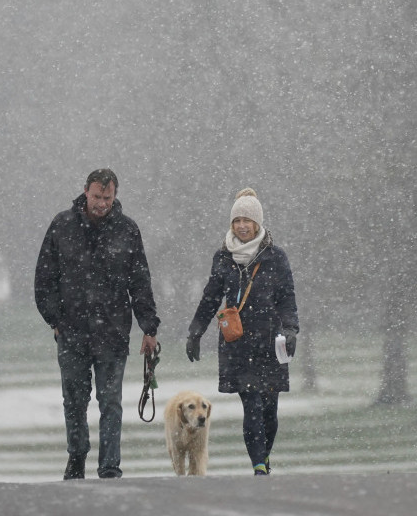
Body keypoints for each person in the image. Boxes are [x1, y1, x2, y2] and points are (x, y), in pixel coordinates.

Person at [35, 168, 160, 480]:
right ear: (85, 192)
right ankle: (76, 457)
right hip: (72, 330)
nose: (102, 203)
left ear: (115, 195)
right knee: (74, 401)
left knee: (111, 402)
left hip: (113, 332)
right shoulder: (62, 226)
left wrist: (149, 327)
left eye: (108, 197)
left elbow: (140, 282)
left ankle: (109, 466)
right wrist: (54, 318)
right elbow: (44, 278)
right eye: (96, 196)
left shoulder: (128, 230)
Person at [186, 188, 299, 475]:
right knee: (251, 406)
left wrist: (291, 329)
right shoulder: (223, 258)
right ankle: (259, 466)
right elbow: (211, 297)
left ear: (258, 223)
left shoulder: (276, 257)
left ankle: (264, 455)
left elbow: (286, 297)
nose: (242, 225)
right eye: (236, 220)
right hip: (238, 344)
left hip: (271, 344)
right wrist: (195, 332)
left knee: (269, 411)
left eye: (247, 220)